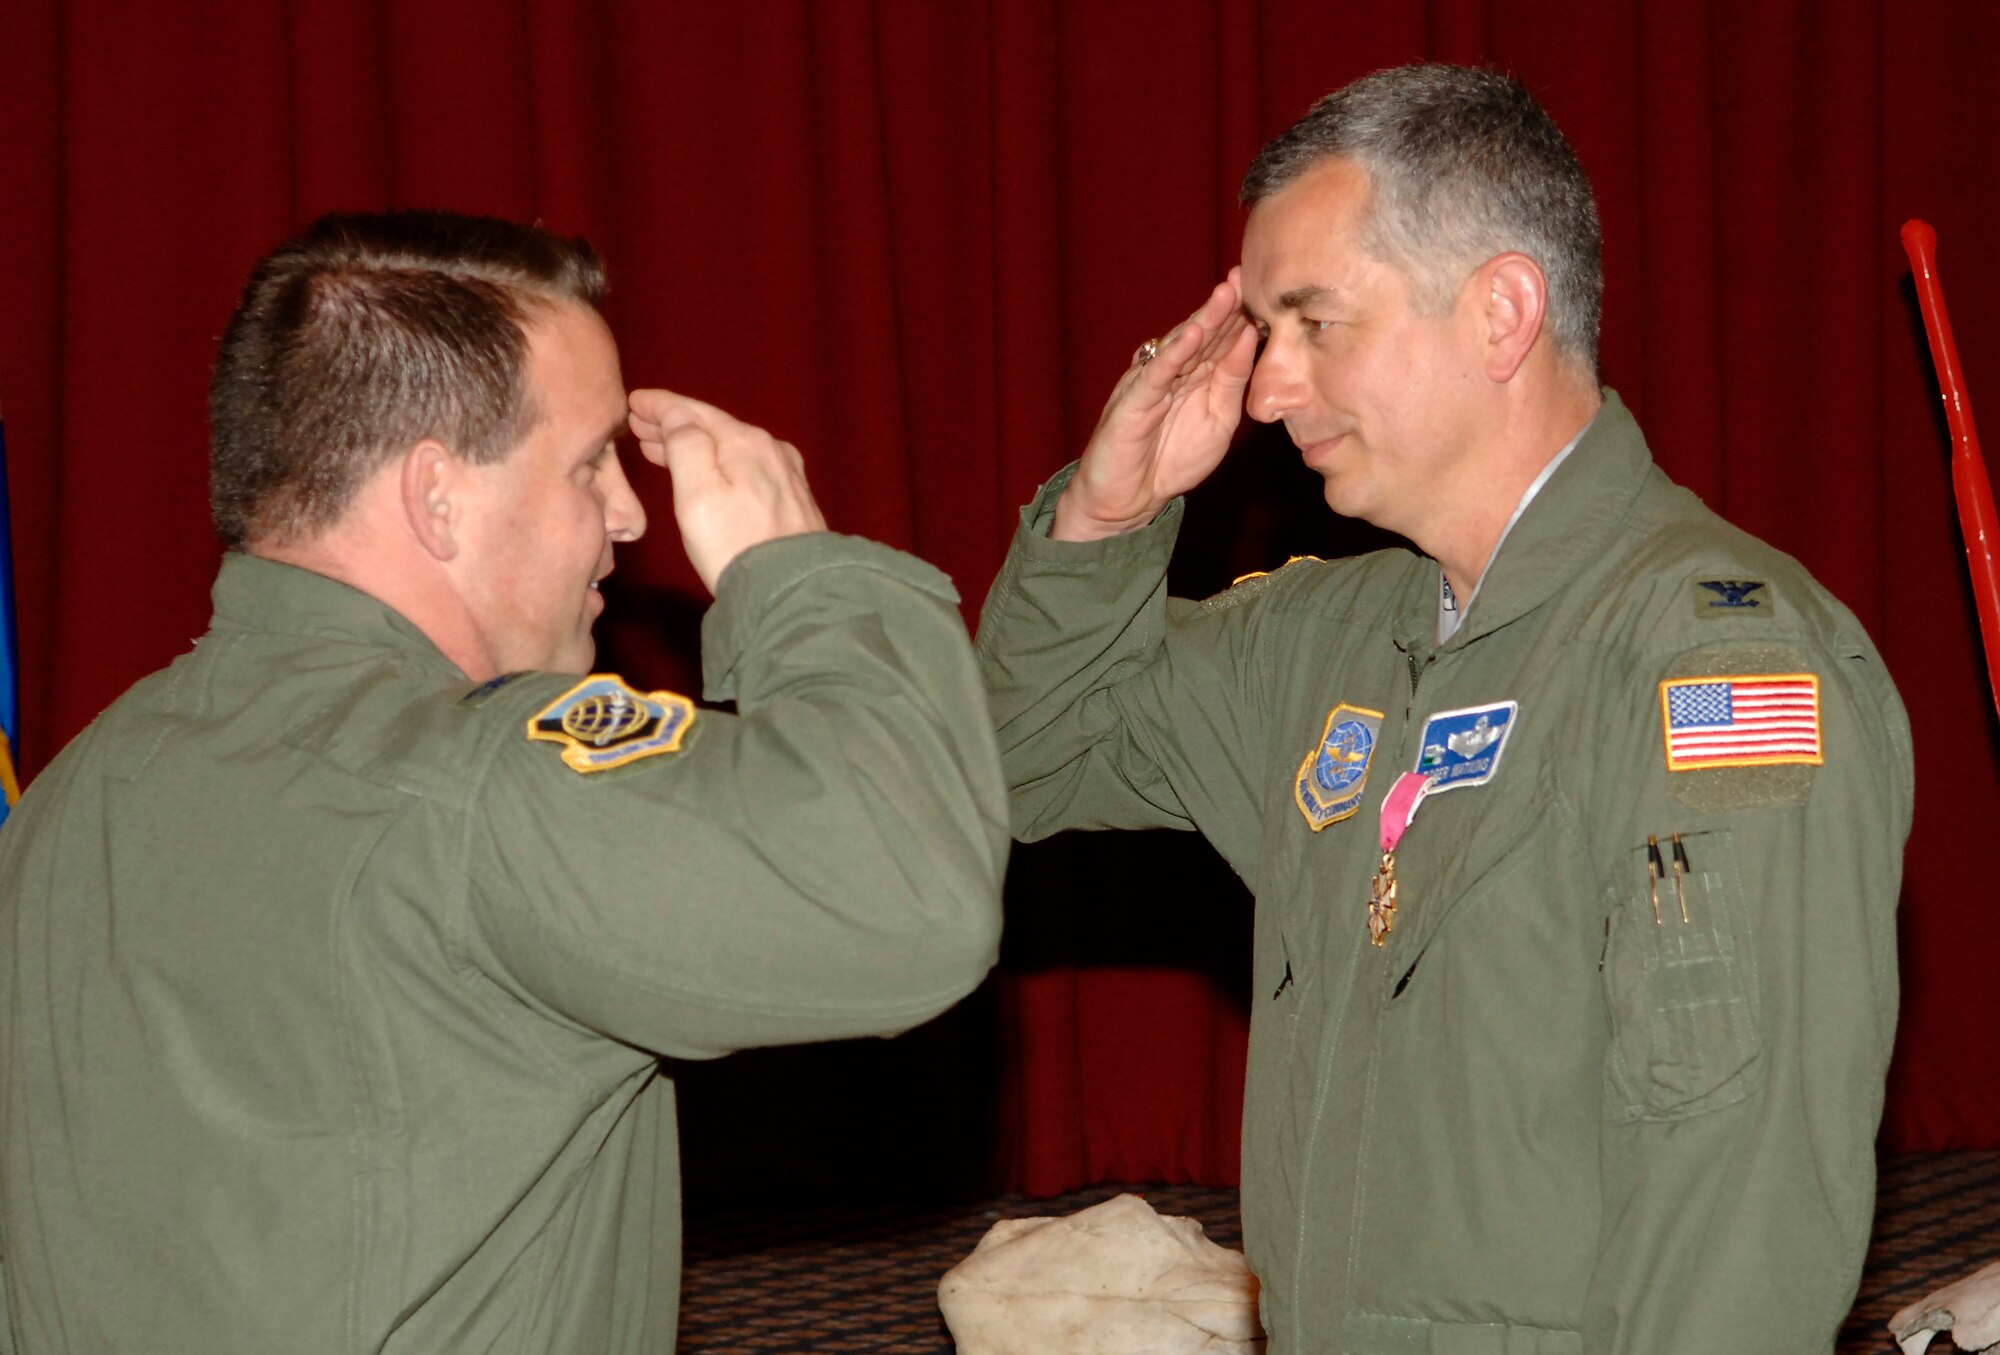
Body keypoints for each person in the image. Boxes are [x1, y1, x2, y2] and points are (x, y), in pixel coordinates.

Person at [977, 64, 1911, 1352]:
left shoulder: (1709, 663)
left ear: (1500, 313)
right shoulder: (1323, 642)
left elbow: (1732, 1202)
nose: (1263, 391)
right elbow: (1025, 760)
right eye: (1262, 332)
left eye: (1315, 324)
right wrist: (1105, 519)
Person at [0, 211, 1007, 1353]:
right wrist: (798, 576)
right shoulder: (480, 775)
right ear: (436, 497)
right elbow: (908, 897)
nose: (627, 513)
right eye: (587, 462)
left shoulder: (80, 787)